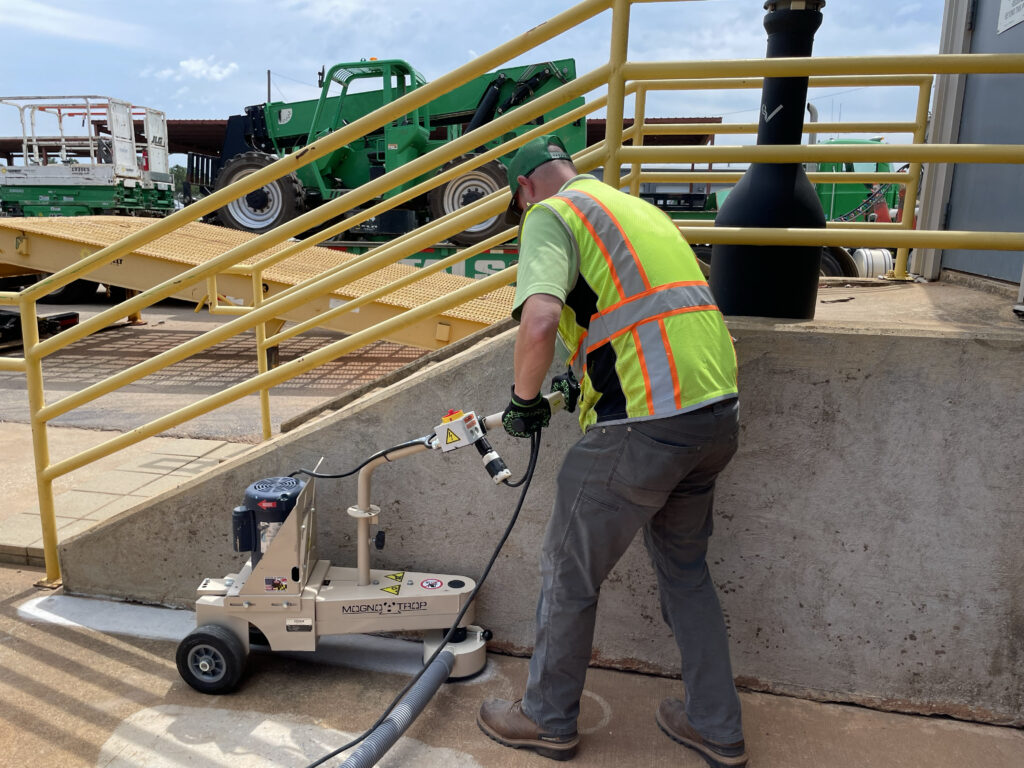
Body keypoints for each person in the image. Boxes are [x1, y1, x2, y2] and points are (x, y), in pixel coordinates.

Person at [476, 134, 747, 767]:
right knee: (686, 574)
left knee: (568, 572)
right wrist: (585, 375)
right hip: (715, 416)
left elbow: (540, 319)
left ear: (524, 188)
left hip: (643, 424)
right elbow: (642, 315)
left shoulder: (552, 214)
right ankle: (717, 726)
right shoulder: (639, 212)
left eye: (520, 206)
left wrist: (523, 400)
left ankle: (546, 720)